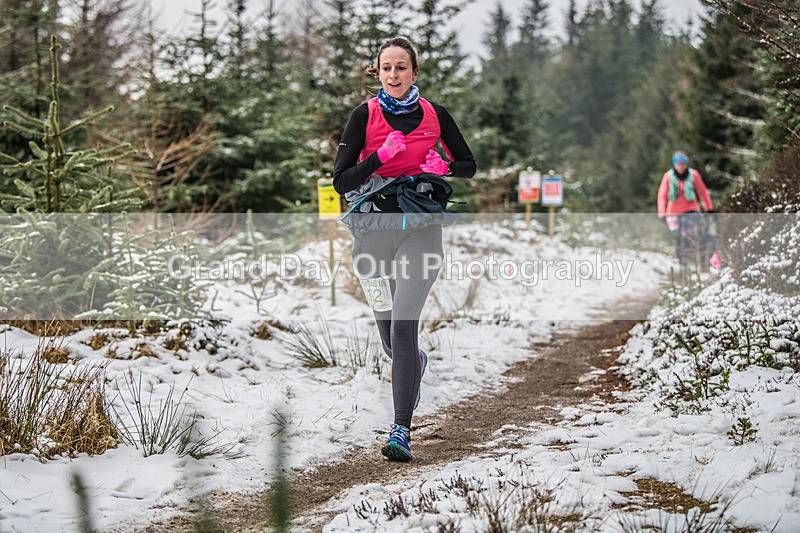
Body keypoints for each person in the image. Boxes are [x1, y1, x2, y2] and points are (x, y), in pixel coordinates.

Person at [333, 36, 476, 461]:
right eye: (386, 67)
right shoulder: (364, 115)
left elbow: (468, 164)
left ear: (415, 72)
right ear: (377, 73)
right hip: (372, 233)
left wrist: (445, 166)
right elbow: (341, 180)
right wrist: (378, 158)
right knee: (391, 342)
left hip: (421, 230)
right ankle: (413, 362)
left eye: (401, 67)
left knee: (403, 324)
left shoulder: (435, 114)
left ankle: (400, 431)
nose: (393, 74)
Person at [657, 151, 715, 268]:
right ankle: (681, 263)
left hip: (691, 210)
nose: (680, 166)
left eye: (683, 164)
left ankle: (690, 260)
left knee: (687, 236)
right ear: (674, 164)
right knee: (677, 237)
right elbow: (662, 195)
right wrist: (662, 213)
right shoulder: (668, 176)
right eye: (678, 164)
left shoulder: (694, 175)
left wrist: (709, 208)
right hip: (672, 212)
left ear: (686, 164)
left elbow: (702, 192)